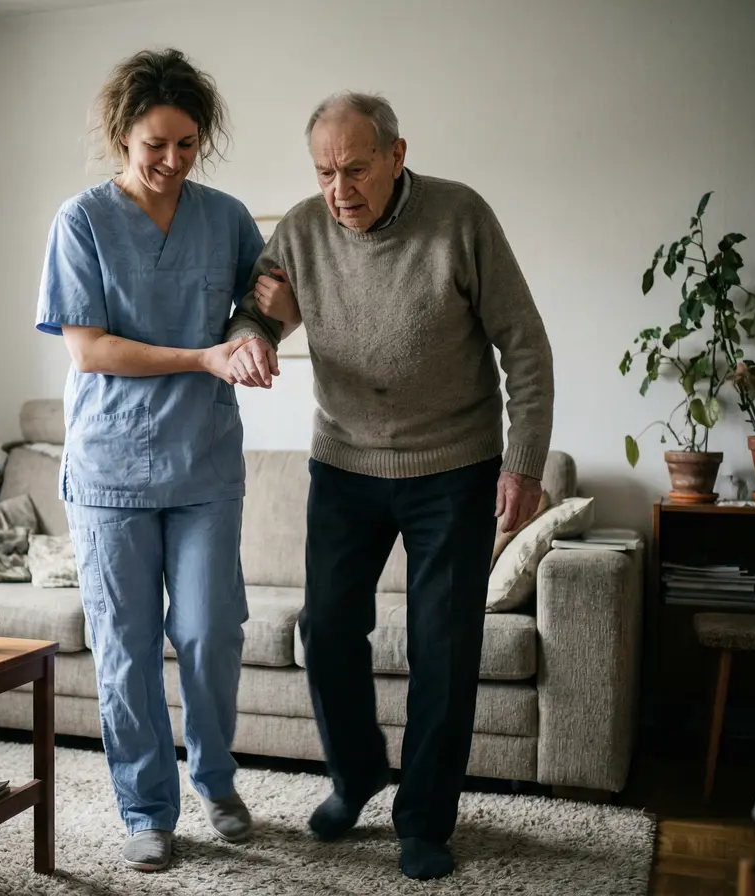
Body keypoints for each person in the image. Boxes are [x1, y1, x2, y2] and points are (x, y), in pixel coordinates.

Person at [225, 92, 554, 881]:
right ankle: (358, 773)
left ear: (397, 156)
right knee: (327, 629)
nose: (340, 188)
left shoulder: (460, 218)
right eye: (325, 170)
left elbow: (527, 347)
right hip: (342, 465)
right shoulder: (303, 229)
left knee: (443, 649)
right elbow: (257, 315)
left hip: (455, 470)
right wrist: (249, 336)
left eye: (357, 168)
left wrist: (525, 464)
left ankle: (425, 818)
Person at [34, 48, 265, 873]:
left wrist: (254, 335)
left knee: (209, 633)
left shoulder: (229, 217)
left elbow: (259, 312)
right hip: (110, 470)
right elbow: (90, 350)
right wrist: (204, 358)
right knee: (126, 649)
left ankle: (215, 776)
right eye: (154, 147)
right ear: (120, 137)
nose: (171, 163)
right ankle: (145, 806)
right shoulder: (82, 221)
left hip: (204, 465)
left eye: (187, 145)